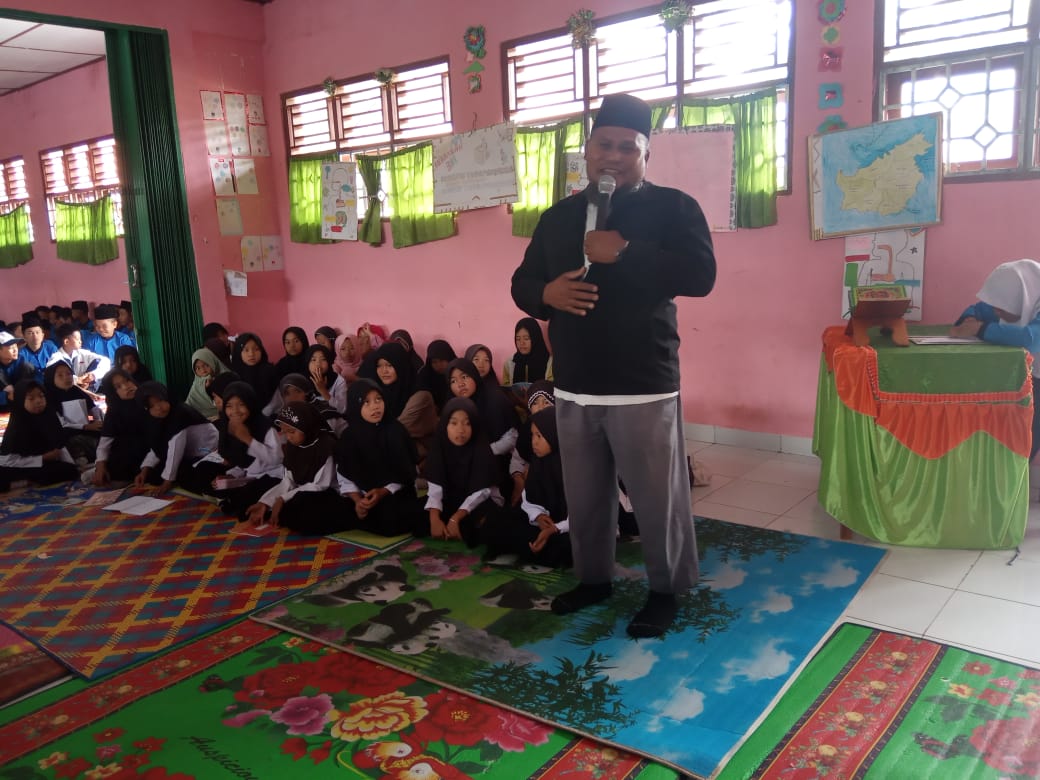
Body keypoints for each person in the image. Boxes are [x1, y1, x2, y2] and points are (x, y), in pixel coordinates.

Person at [511, 92, 717, 638]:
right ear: (587, 149)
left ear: (645, 153)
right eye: (605, 144)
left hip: (642, 383)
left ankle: (665, 589)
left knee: (656, 499)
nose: (615, 155)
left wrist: (626, 251)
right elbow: (521, 283)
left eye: (629, 147)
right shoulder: (558, 218)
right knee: (585, 496)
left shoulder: (674, 208)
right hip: (575, 384)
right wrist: (546, 293)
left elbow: (700, 277)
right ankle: (594, 580)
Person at [950, 258, 1040, 458]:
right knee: (1014, 442)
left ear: (1022, 297)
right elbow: (977, 309)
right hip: (1028, 376)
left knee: (1028, 443)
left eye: (1000, 307)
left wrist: (981, 328)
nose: (995, 312)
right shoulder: (1015, 296)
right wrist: (969, 320)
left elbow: (1031, 339)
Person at [482, 406, 572, 568]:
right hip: (542, 522)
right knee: (496, 520)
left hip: (568, 526)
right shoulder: (538, 462)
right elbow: (528, 498)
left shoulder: (574, 465)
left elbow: (585, 513)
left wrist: (555, 529)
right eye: (532, 435)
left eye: (539, 436)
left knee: (569, 545)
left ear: (555, 434)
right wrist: (537, 515)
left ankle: (537, 550)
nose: (534, 441)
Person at [335, 378, 426, 536]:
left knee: (391, 516)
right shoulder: (349, 436)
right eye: (366, 402)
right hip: (362, 494)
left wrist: (382, 492)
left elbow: (407, 473)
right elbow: (344, 474)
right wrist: (358, 501)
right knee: (336, 510)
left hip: (392, 493)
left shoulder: (395, 431)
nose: (375, 406)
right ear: (356, 406)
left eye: (378, 399)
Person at [244, 402, 345, 536]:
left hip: (330, 493)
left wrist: (282, 499)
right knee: (282, 507)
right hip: (303, 491)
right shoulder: (293, 446)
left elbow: (320, 486)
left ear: (306, 426)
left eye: (292, 431)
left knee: (302, 509)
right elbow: (288, 480)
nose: (288, 437)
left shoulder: (326, 446)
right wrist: (266, 502)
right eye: (285, 432)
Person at [421, 397, 503, 545]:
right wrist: (434, 519)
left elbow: (482, 491)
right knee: (417, 515)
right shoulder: (440, 445)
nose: (460, 430)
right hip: (450, 497)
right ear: (445, 424)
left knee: (488, 525)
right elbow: (436, 484)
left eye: (467, 423)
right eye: (454, 423)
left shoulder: (481, 447)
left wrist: (455, 518)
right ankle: (447, 527)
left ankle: (455, 526)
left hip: (476, 502)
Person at [134, 381, 219, 494]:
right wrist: (144, 470)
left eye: (160, 400)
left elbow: (175, 448)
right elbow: (158, 446)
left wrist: (167, 482)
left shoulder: (179, 414)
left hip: (206, 451)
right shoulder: (156, 421)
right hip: (188, 453)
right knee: (154, 475)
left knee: (188, 475)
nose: (158, 408)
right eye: (152, 406)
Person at [0, 379, 81, 492]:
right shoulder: (18, 423)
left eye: (41, 396)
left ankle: (27, 481)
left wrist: (70, 464)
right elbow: (7, 460)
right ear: (20, 400)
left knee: (68, 470)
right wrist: (41, 458)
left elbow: (59, 444)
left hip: (45, 464)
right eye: (31, 398)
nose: (38, 401)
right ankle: (23, 482)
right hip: (20, 464)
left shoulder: (49, 416)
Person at [89, 369, 151, 487]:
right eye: (118, 386)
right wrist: (100, 465)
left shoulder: (148, 401)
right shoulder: (114, 412)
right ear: (113, 393)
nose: (126, 387)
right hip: (128, 452)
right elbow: (105, 442)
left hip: (152, 448)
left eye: (127, 381)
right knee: (117, 468)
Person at [46, 324, 110, 393]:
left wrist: (93, 375)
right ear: (66, 342)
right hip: (64, 393)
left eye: (80, 339)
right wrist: (77, 380)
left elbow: (105, 361)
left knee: (97, 362)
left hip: (85, 390)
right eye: (77, 339)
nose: (80, 341)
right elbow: (51, 377)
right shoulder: (56, 358)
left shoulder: (81, 353)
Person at [230, 332, 280, 414]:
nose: (251, 354)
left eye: (256, 349)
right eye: (246, 350)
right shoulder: (234, 375)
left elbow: (276, 399)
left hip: (269, 415)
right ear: (239, 352)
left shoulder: (270, 371)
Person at [501, 317, 553, 386]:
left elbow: (552, 390)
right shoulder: (510, 363)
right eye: (518, 339)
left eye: (526, 338)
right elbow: (506, 390)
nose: (522, 343)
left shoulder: (550, 362)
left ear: (535, 338)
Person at [0, 329, 34, 409]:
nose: (15, 350)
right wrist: (7, 396)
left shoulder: (24, 364)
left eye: (15, 346)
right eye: (11, 348)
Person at [19, 317, 58, 382]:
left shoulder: (51, 348)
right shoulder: (21, 354)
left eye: (37, 332)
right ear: (24, 336)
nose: (35, 336)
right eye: (30, 333)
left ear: (42, 335)